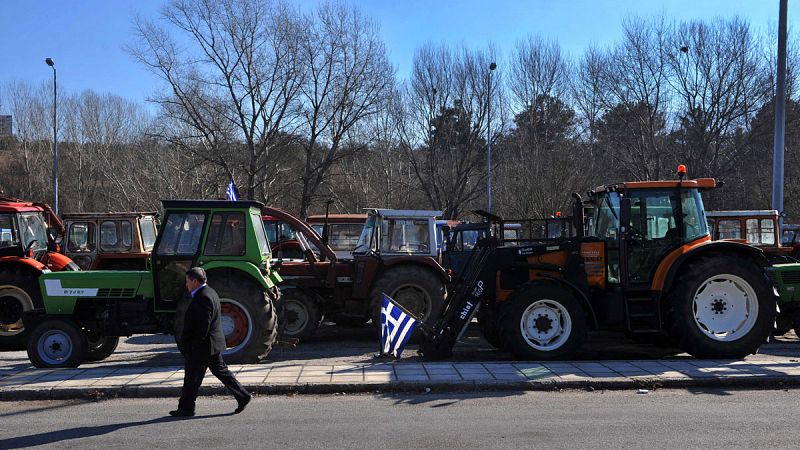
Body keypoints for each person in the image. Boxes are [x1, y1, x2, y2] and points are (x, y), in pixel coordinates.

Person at [170, 267, 252, 417]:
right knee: (220, 372)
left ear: (195, 281)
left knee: (191, 378)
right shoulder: (209, 292)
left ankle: (186, 408)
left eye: (187, 281)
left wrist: (192, 344)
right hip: (210, 344)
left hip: (202, 345)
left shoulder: (203, 297)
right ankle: (242, 396)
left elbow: (203, 325)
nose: (186, 285)